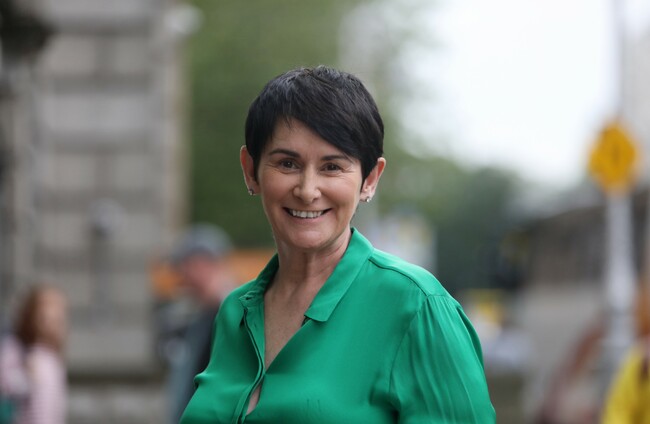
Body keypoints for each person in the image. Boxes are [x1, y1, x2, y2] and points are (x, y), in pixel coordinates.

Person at [180, 65, 495, 423]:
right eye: (287, 163)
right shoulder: (234, 312)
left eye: (332, 167)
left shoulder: (417, 307)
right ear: (250, 170)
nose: (307, 190)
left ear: (370, 179)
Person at [164, 224, 239, 423]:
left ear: (201, 265)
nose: (181, 276)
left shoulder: (235, 315)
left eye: (184, 266)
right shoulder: (200, 317)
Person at [0, 285, 68, 424]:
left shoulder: (52, 357)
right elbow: (5, 383)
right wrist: (25, 376)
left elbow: (56, 403)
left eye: (56, 319)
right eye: (44, 318)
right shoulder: (17, 348)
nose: (50, 324)